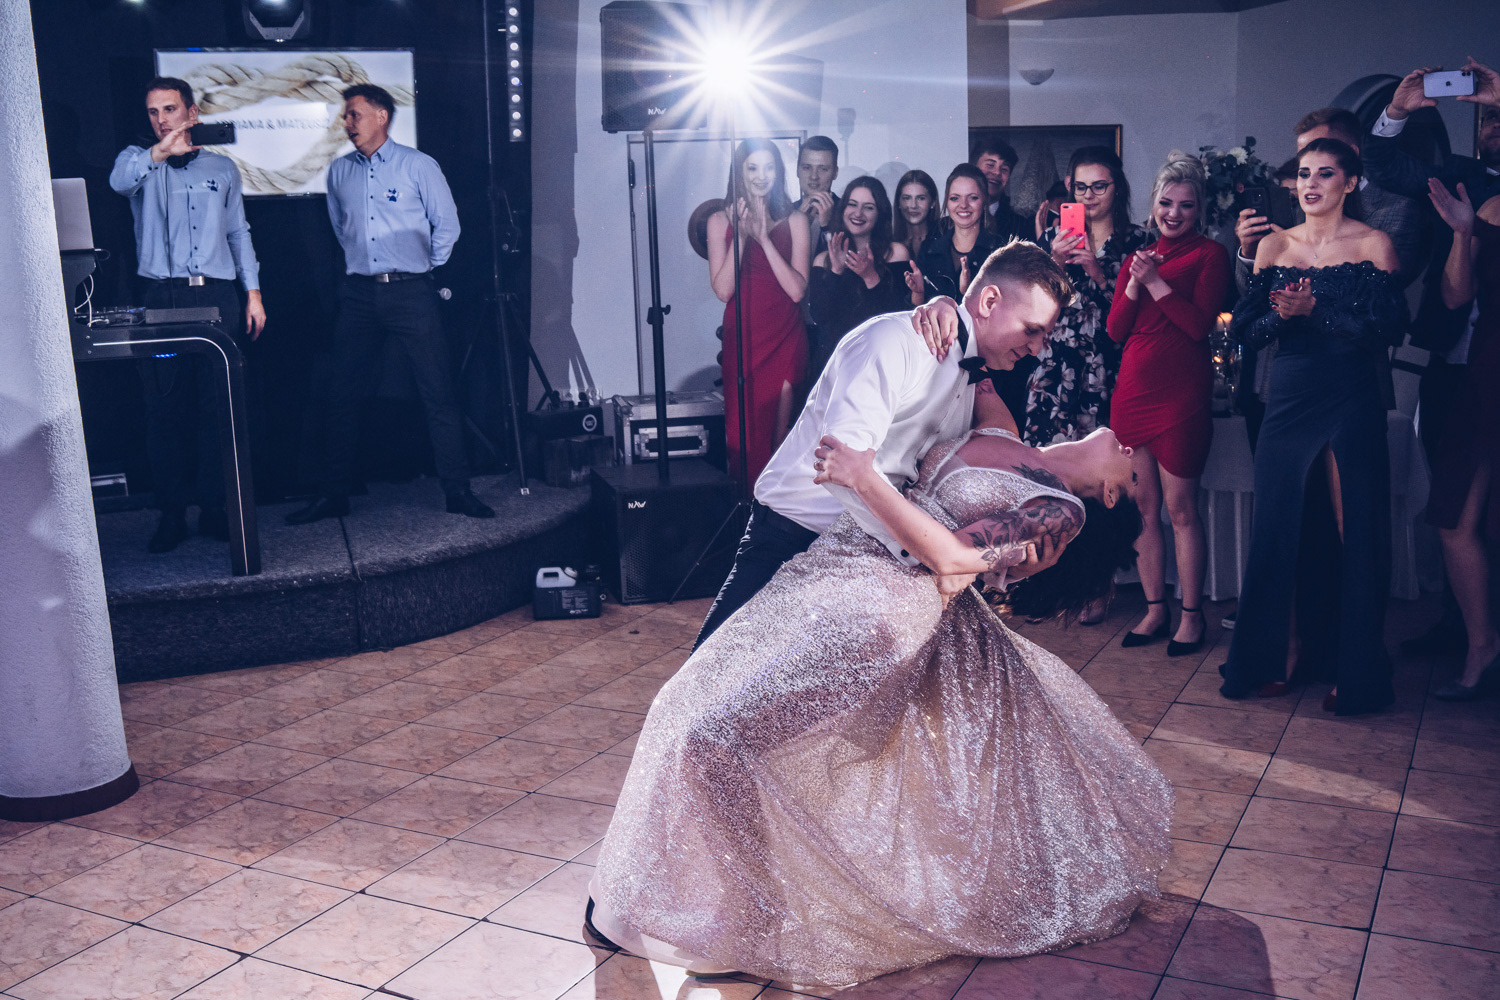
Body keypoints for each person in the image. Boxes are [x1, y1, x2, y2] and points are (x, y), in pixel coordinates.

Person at [586, 404, 1167, 988]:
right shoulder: (1007, 432)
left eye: (1136, 475)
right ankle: (709, 910)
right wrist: (945, 330)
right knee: (688, 708)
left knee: (715, 738)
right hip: (830, 573)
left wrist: (864, 479)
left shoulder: (1062, 511)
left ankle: (751, 926)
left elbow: (949, 558)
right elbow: (981, 358)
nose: (1134, 451)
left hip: (880, 609)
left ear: (1110, 495)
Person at [694, 240, 1072, 648]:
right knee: (709, 677)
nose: (1037, 347)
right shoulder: (893, 340)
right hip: (792, 540)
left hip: (866, 562)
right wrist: (928, 554)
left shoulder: (972, 377)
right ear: (990, 301)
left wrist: (1004, 564)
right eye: (1032, 330)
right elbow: (840, 468)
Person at [1218, 139, 1406, 715]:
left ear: (1349, 183)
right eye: (1304, 174)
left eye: (1325, 174)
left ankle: (1357, 668)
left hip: (1350, 392)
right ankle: (1280, 654)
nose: (1311, 184)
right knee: (1279, 525)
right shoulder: (1275, 245)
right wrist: (1282, 315)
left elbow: (1387, 331)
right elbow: (1244, 334)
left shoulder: (1374, 244)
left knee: (1356, 528)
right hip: (1290, 393)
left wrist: (1315, 310)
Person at [286, 85, 491, 524]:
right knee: (342, 395)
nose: (347, 123)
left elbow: (447, 226)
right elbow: (340, 229)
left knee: (437, 392)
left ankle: (458, 491)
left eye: (355, 114)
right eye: (345, 116)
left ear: (381, 116)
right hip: (359, 294)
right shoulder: (339, 171)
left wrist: (424, 268)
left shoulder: (417, 165)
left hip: (410, 291)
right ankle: (333, 494)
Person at [1365, 58, 1500, 657]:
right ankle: (1459, 626)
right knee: (1451, 500)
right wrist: (1397, 111)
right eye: (1488, 119)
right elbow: (1384, 165)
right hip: (1453, 360)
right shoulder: (1464, 175)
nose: (1492, 126)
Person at [110, 76, 267, 554]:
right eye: (153, 111)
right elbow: (119, 183)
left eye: (170, 109)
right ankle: (172, 513)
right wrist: (158, 153)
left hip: (217, 297)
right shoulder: (137, 161)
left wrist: (253, 293)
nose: (161, 119)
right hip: (163, 300)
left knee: (217, 408)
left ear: (192, 113)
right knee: (164, 411)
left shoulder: (222, 167)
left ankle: (215, 507)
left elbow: (238, 233)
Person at [1107, 154, 1230, 656]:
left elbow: (1199, 326)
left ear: (1199, 209)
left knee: (1181, 510)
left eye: (1186, 205)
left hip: (1182, 396)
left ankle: (1192, 617)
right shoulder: (1137, 258)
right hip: (1133, 393)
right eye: (1166, 203)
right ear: (1153, 204)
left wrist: (1156, 284)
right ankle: (1155, 610)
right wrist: (1135, 280)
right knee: (1143, 510)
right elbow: (1116, 330)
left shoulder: (1211, 255)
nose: (1174, 213)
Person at [1423, 180, 1500, 699]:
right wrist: (1462, 233)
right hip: (1485, 373)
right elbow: (1454, 296)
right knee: (1453, 518)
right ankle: (1482, 644)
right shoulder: (1492, 206)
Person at [707, 138, 810, 488]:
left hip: (784, 337)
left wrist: (764, 239)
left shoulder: (796, 220)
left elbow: (796, 291)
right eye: (752, 167)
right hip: (744, 340)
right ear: (740, 172)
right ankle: (745, 517)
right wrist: (741, 236)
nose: (761, 175)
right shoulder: (718, 220)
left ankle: (770, 517)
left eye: (769, 167)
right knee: (741, 443)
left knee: (777, 446)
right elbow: (724, 291)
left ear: (778, 172)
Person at [806, 176, 911, 376]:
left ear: (880, 213)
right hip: (835, 364)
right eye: (852, 204)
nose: (858, 213)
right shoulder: (823, 259)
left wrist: (870, 277)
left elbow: (898, 317)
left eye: (868, 207)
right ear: (843, 209)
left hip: (880, 362)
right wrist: (836, 271)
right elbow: (820, 316)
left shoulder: (897, 253)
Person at [906, 164, 1004, 307]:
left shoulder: (1000, 252)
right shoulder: (929, 249)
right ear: (947, 201)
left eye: (973, 198)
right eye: (955, 198)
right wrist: (918, 293)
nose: (963, 205)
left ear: (984, 201)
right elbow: (914, 311)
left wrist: (969, 293)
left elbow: (1003, 311)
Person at [971, 135, 1028, 241]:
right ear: (973, 168)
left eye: (1004, 169)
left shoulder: (1020, 225)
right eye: (990, 165)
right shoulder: (951, 222)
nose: (997, 172)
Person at [793, 135, 840, 258]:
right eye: (807, 168)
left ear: (835, 173)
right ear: (797, 170)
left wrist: (827, 227)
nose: (814, 176)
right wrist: (797, 224)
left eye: (823, 169)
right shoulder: (784, 212)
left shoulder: (849, 212)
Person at [893, 168, 938, 260]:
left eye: (921, 198)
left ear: (933, 202)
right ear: (898, 202)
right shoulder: (889, 243)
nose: (913, 205)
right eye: (907, 198)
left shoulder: (945, 240)